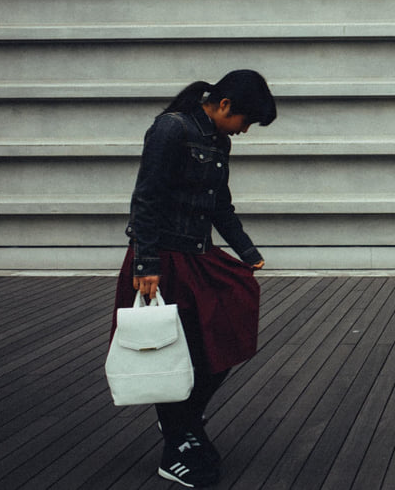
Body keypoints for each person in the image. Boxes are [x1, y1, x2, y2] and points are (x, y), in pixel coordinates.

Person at [112, 70, 276, 487]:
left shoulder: (218, 140)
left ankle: (184, 420)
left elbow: (221, 205)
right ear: (225, 105)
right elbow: (145, 198)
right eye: (245, 121)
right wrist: (146, 266)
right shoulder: (171, 129)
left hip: (198, 256)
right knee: (174, 350)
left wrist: (247, 251)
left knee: (224, 335)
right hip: (162, 260)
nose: (244, 131)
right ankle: (177, 443)